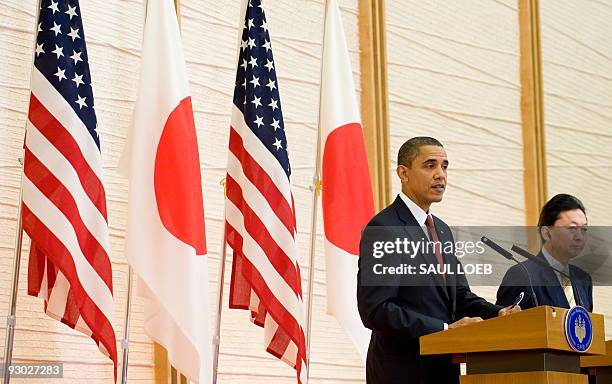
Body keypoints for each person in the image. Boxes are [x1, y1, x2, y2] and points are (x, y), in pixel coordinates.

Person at [357, 137, 519, 384]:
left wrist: (498, 313)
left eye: (444, 166)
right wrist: (444, 330)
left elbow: (460, 296)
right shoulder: (385, 228)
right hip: (401, 371)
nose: (440, 175)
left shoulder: (441, 230)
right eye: (430, 165)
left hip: (443, 368)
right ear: (403, 173)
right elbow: (376, 310)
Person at [496, 194, 593, 311]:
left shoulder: (583, 279)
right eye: (572, 228)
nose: (580, 237)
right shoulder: (522, 275)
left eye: (584, 229)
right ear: (546, 233)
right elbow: (504, 325)